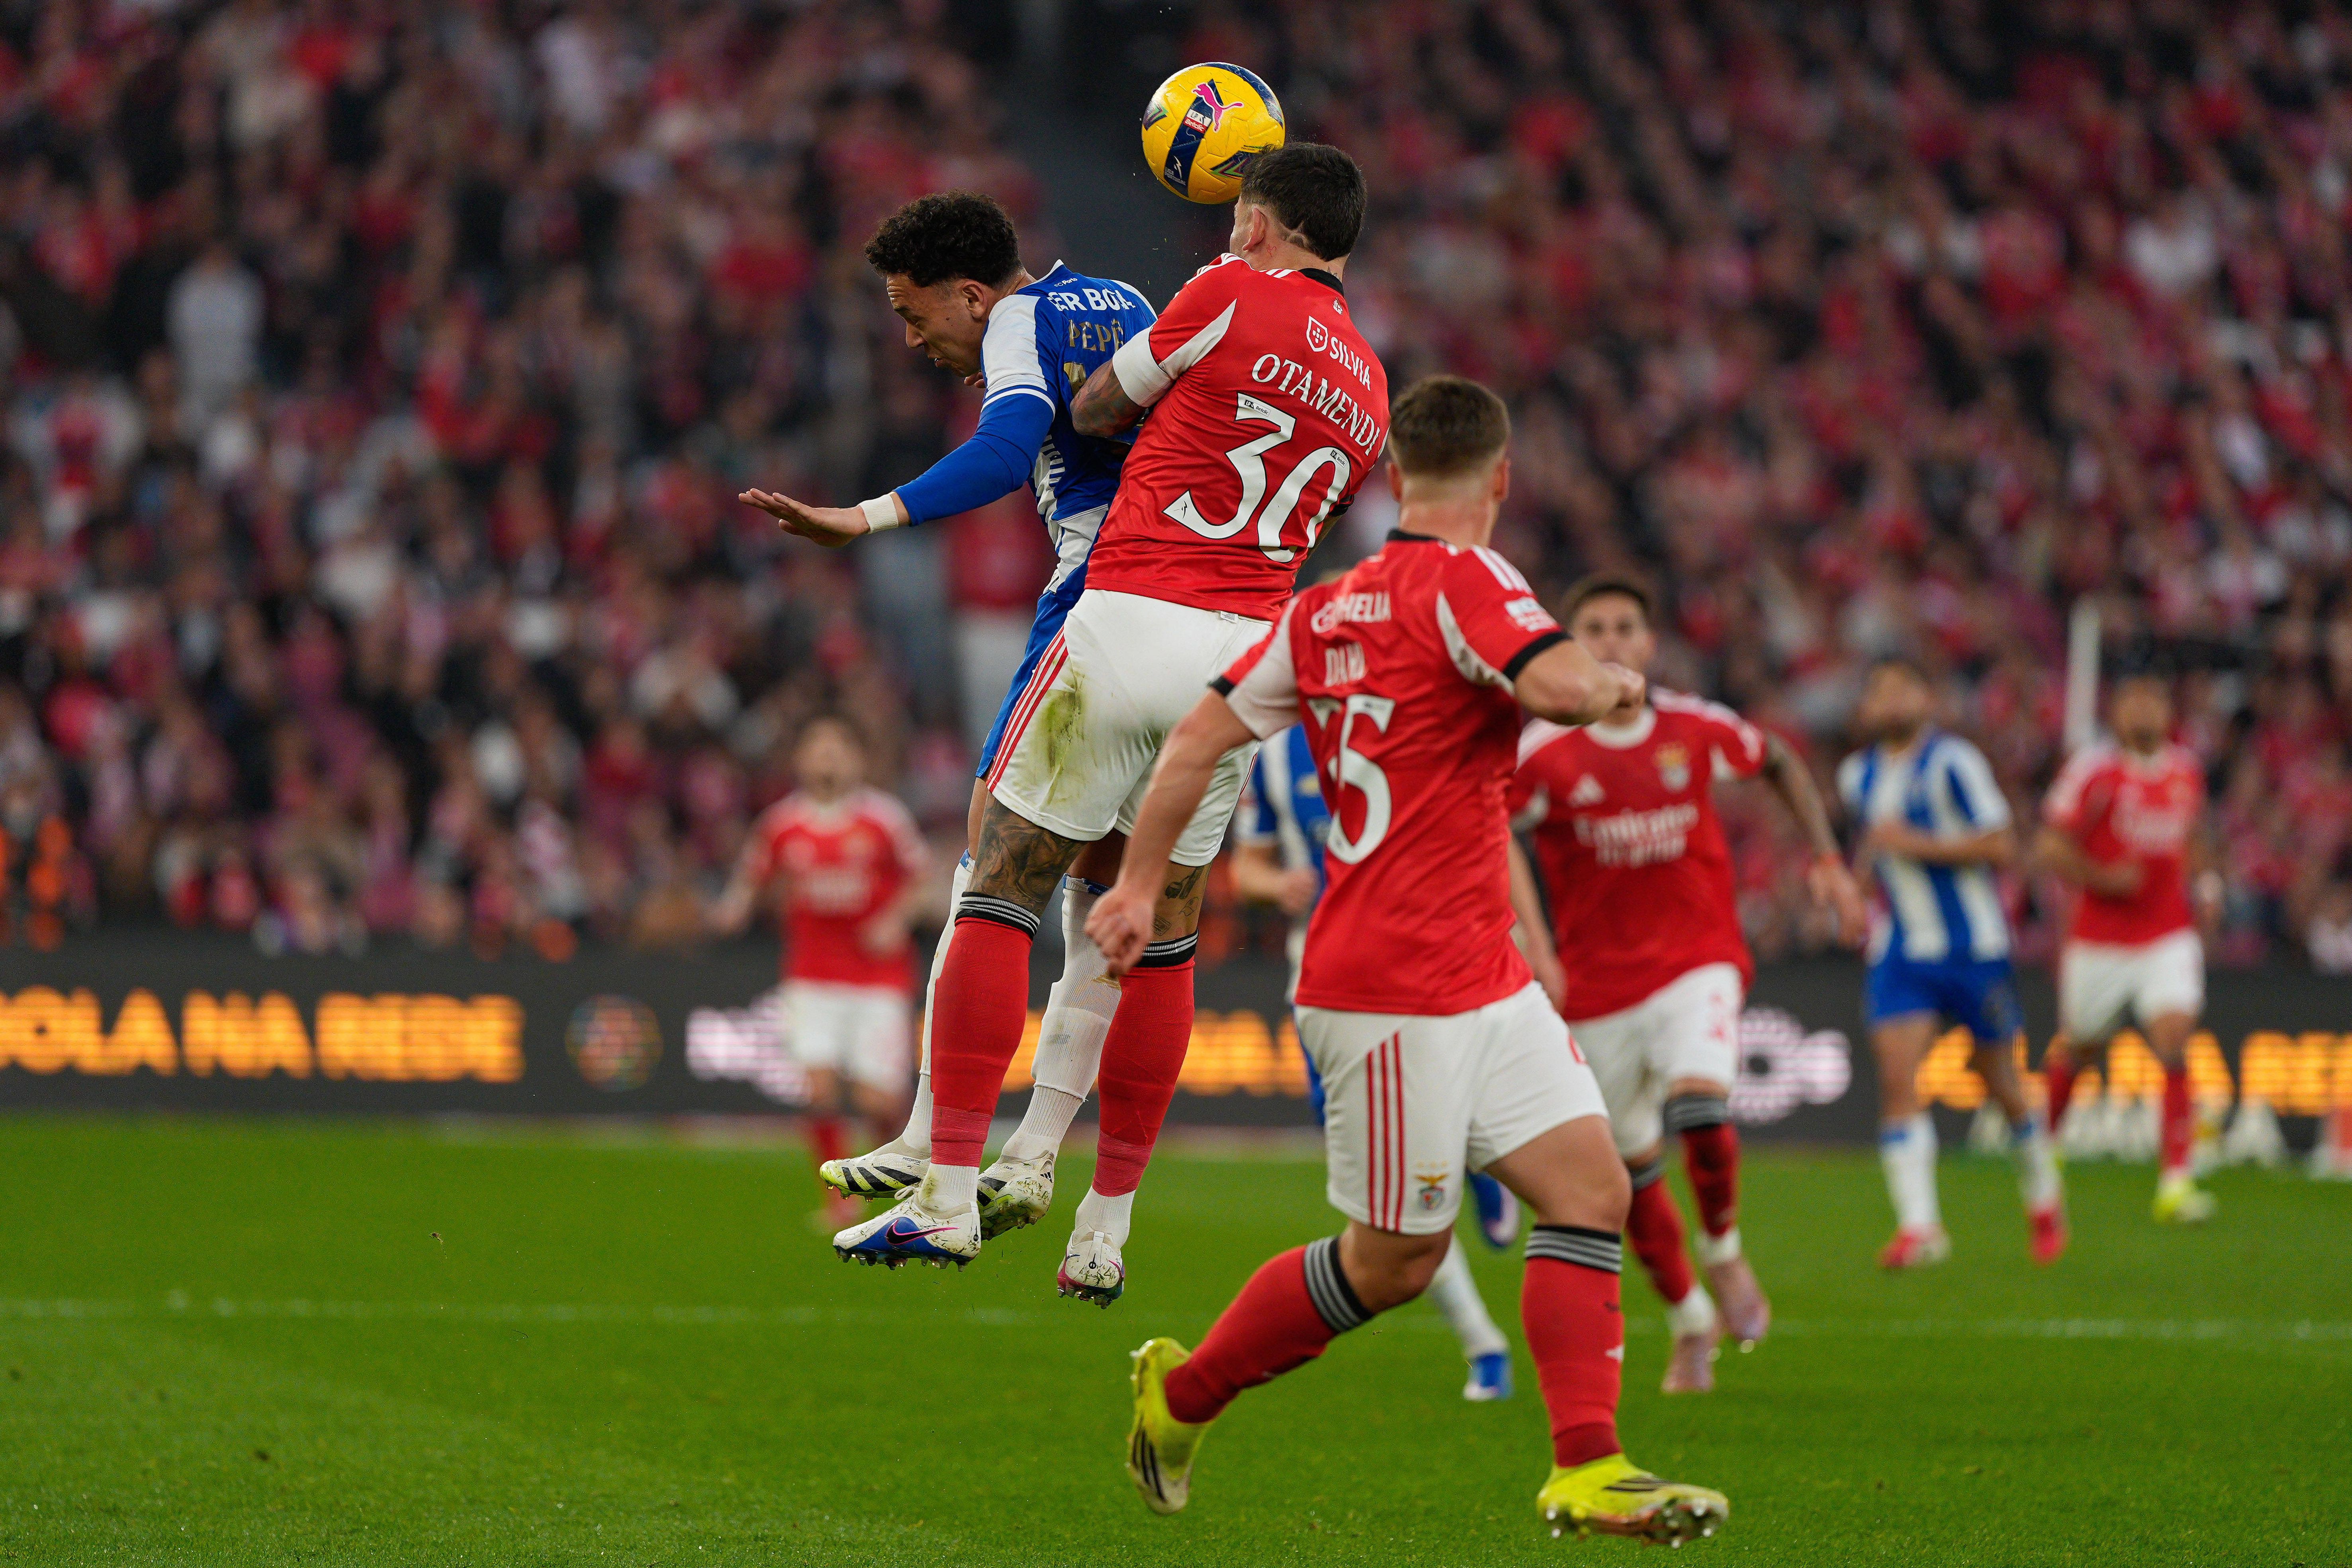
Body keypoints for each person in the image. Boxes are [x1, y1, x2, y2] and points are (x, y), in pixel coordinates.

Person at [1093, 376, 1726, 1544]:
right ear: (1498, 479)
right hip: (1387, 990)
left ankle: (1588, 1464)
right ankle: (1180, 1395)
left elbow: (1196, 740)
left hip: (1479, 971)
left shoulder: (1320, 609)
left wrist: (1138, 883)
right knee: (1393, 1262)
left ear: (1394, 478)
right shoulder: (1475, 578)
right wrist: (1618, 684)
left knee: (1592, 1188)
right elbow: (1557, 683)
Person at [831, 144, 1389, 1302]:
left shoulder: (1224, 290)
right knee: (1159, 932)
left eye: (1241, 215)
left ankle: (941, 1193)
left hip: (1131, 611)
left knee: (997, 884)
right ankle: (1104, 1225)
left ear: (1261, 223)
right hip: (1240, 663)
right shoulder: (1372, 386)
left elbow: (1093, 405)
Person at [737, 192, 1155, 1242]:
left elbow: (1007, 448)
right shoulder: (1126, 299)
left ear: (970, 294)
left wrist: (865, 517)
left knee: (989, 857)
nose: (914, 340)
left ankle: (938, 1151)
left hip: (1098, 600)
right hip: (1194, 619)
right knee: (1115, 896)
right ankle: (1045, 1168)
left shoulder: (1020, 321)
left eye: (914, 313)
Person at [1507, 576, 1867, 1392]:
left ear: (1647, 643)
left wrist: (1825, 861)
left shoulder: (1696, 727)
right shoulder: (1542, 750)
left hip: (1695, 959)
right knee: (1627, 1179)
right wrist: (1532, 944)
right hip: (1596, 987)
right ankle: (1690, 1321)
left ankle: (1726, 1253)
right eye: (1590, 626)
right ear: (1567, 643)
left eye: (1624, 626)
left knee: (1700, 1106)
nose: (1608, 639)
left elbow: (1775, 760)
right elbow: (1490, 829)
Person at [1235, 726, 1522, 1402]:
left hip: (1423, 962)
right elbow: (1247, 867)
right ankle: (1484, 1343)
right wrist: (1277, 883)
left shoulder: (1410, 719)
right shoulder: (1276, 752)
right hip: (1325, 984)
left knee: (1434, 1134)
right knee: (1388, 1185)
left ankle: (1480, 1159)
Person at [1838, 657, 2065, 1269]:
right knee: (1895, 1077)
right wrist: (1852, 892)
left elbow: (2000, 844)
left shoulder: (1954, 763)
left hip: (1973, 949)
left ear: (1926, 699)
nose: (1889, 700)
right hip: (1901, 951)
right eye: (1878, 689)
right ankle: (1921, 1227)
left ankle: (2043, 1193)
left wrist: (1916, 845)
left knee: (2000, 1082)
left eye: (1901, 688)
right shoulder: (1855, 775)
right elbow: (1872, 849)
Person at [708, 718, 927, 1225]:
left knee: (877, 1097)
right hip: (810, 975)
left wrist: (893, 918)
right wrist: (732, 909)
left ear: (856, 760)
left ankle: (898, 1184)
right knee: (820, 1090)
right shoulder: (782, 824)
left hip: (878, 978)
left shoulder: (883, 820)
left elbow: (921, 879)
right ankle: (838, 1197)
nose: (827, 758)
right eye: (817, 748)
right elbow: (751, 876)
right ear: (801, 760)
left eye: (837, 748)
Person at [2037, 671, 2221, 1224]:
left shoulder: (2185, 770)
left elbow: (2195, 838)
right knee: (2080, 1048)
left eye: (2153, 700)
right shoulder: (2092, 771)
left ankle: (2175, 1182)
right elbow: (2048, 845)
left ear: (2168, 712)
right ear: (2115, 713)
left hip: (2167, 931)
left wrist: (2207, 888)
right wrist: (2100, 876)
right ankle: (2042, 1147)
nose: (2143, 712)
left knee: (2173, 1036)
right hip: (2100, 939)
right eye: (2132, 701)